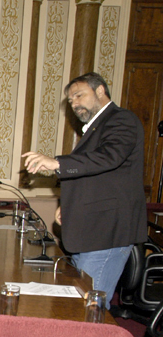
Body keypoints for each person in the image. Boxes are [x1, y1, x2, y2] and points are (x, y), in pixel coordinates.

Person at [22, 72, 146, 300]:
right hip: (91, 231)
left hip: (106, 233)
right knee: (80, 301)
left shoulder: (121, 119)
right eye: (70, 100)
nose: (74, 104)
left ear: (100, 91)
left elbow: (109, 157)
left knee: (90, 306)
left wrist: (58, 163)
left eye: (79, 95)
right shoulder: (97, 126)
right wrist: (70, 205)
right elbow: (97, 177)